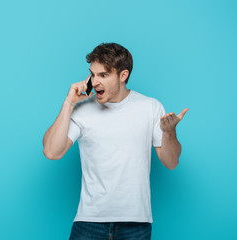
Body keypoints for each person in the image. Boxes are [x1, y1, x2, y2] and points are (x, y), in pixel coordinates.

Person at [42, 42, 188, 240]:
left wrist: (169, 132)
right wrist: (68, 103)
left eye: (103, 75)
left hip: (136, 223)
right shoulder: (83, 109)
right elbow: (52, 152)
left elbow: (171, 162)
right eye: (93, 74)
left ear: (123, 75)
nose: (95, 82)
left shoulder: (150, 107)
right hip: (89, 221)